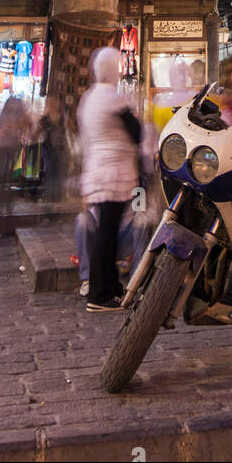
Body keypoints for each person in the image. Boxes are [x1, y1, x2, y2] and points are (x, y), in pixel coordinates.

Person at [77, 45, 142, 313]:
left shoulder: (89, 98)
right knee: (107, 234)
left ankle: (110, 287)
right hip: (113, 175)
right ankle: (99, 294)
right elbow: (136, 132)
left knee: (108, 232)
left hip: (97, 172)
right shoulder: (112, 98)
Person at [0, 89, 31, 214]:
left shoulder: (18, 115)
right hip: (5, 147)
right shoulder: (5, 115)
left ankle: (6, 204)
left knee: (7, 177)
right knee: (3, 177)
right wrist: (4, 130)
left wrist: (14, 128)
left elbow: (25, 125)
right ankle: (2, 204)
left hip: (12, 147)